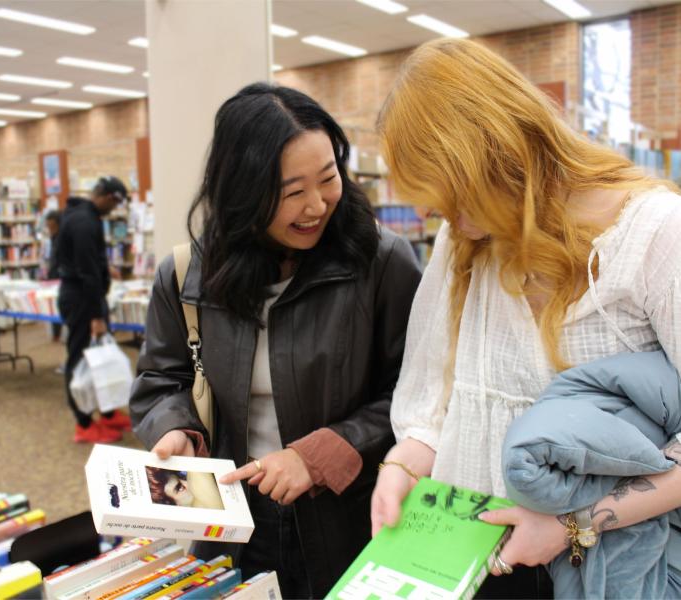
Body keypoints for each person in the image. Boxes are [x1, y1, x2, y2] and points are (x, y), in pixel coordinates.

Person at [370, 38, 681, 598]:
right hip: (468, 560)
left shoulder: (654, 235)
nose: (442, 220)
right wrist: (403, 465)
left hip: (607, 569)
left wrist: (574, 524)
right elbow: (443, 410)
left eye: (452, 200)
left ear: (496, 159)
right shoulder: (467, 238)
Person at [130, 82, 422, 598]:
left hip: (349, 513)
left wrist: (321, 454)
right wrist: (176, 428)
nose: (318, 205)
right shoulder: (185, 275)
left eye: (328, 178)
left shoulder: (382, 262)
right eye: (292, 193)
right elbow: (161, 378)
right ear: (242, 193)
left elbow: (419, 399)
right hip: (234, 518)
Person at [56, 177, 133, 444]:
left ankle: (108, 413)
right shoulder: (84, 222)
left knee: (102, 355)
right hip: (82, 300)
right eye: (115, 202)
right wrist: (96, 316)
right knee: (80, 358)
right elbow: (87, 272)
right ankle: (84, 423)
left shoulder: (85, 217)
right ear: (106, 196)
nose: (114, 208)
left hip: (88, 297)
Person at [43, 210, 62, 343]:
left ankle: (59, 332)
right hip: (53, 276)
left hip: (61, 276)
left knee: (59, 305)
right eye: (48, 226)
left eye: (52, 226)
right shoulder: (53, 237)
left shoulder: (62, 237)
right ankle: (56, 333)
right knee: (53, 305)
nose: (50, 229)